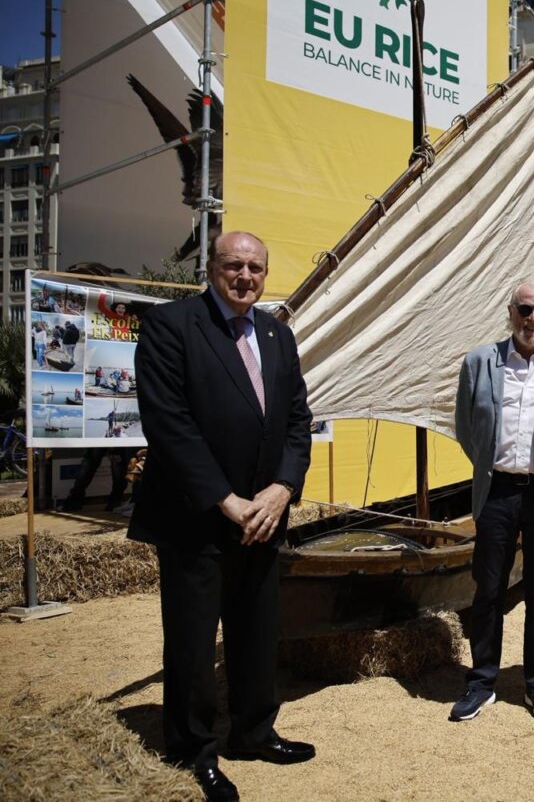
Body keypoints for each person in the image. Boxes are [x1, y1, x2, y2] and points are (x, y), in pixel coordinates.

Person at [127, 232, 314, 802]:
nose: (246, 276)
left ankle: (255, 732)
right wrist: (225, 500)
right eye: (234, 265)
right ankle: (193, 750)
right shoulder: (171, 326)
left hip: (264, 517)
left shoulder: (278, 334)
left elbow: (297, 422)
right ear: (212, 268)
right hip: (197, 518)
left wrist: (282, 488)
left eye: (256, 267)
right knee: (191, 641)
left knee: (257, 633)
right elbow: (169, 424)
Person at [451, 281, 534, 723]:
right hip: (497, 492)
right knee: (488, 590)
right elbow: (466, 426)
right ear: (510, 311)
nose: (533, 319)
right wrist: (491, 465)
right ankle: (482, 681)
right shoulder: (479, 362)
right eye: (525, 309)